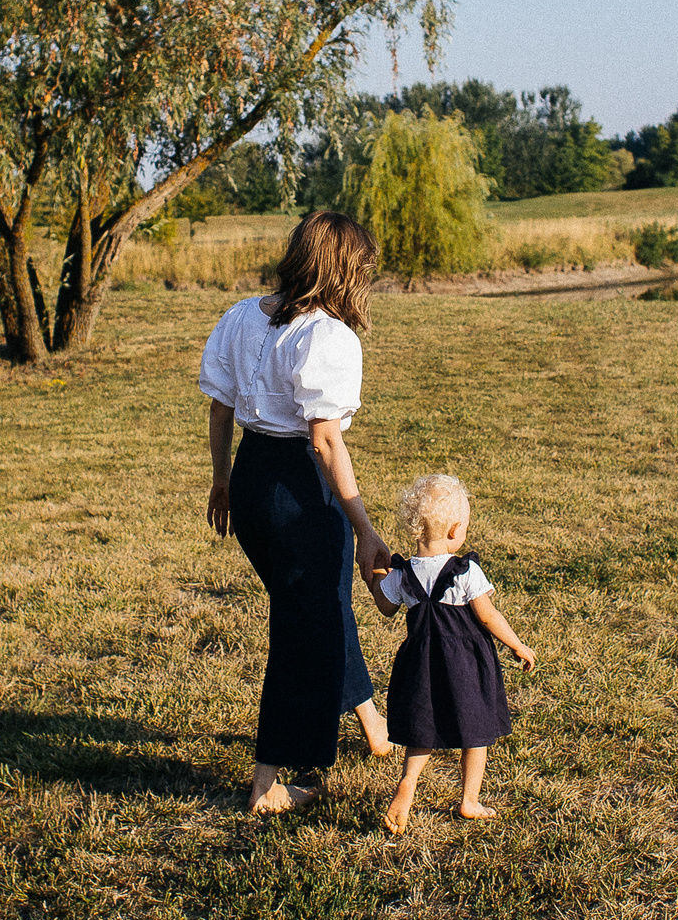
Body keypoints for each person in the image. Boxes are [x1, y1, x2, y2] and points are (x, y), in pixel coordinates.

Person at [202, 210, 397, 816]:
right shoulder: (327, 337)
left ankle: (373, 725)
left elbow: (220, 408)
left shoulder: (240, 316)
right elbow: (325, 439)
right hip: (298, 488)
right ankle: (273, 780)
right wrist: (365, 526)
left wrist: (224, 479)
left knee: (320, 604)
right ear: (342, 270)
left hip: (254, 476)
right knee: (302, 629)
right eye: (361, 270)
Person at [370, 473, 535, 833]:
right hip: (467, 666)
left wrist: (374, 576)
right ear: (455, 530)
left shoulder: (403, 574)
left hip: (421, 664)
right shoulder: (464, 571)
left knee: (422, 730)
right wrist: (517, 644)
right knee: (476, 734)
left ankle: (409, 781)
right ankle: (469, 800)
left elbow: (385, 606)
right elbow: (488, 616)